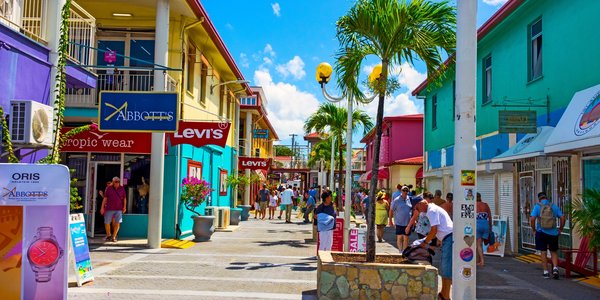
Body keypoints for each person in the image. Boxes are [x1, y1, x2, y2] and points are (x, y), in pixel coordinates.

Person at [414, 199, 453, 300]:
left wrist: (425, 243)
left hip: (449, 238)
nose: (418, 211)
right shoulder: (433, 208)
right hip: (447, 237)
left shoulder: (431, 211)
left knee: (446, 266)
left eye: (417, 208)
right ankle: (443, 294)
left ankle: (446, 296)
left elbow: (434, 230)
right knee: (445, 266)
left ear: (421, 204)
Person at [530, 192, 565, 279]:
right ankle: (555, 268)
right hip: (553, 233)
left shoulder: (537, 206)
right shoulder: (553, 206)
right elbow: (562, 217)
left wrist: (534, 229)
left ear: (539, 198)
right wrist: (560, 228)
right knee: (553, 251)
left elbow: (532, 219)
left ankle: (546, 272)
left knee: (543, 252)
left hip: (541, 232)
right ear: (547, 197)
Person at [101, 176, 126, 242]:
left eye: (118, 181)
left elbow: (124, 198)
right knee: (107, 222)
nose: (117, 183)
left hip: (119, 209)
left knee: (117, 223)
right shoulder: (109, 188)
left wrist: (124, 207)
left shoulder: (122, 188)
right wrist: (102, 208)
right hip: (109, 208)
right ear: (113, 182)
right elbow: (105, 198)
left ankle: (114, 237)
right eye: (116, 182)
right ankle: (109, 234)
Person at [389, 185, 412, 252]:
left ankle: (404, 252)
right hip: (399, 222)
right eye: (404, 190)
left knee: (406, 238)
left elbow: (412, 209)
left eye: (406, 190)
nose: (405, 192)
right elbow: (391, 210)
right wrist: (390, 221)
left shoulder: (410, 199)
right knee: (399, 237)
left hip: (408, 222)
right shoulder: (396, 200)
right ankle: (400, 251)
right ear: (401, 191)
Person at [476, 192, 492, 266]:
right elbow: (490, 217)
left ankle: (482, 261)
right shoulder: (485, 205)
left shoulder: (474, 205)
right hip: (485, 224)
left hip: (478, 225)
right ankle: (479, 260)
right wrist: (490, 227)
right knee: (480, 244)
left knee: (478, 244)